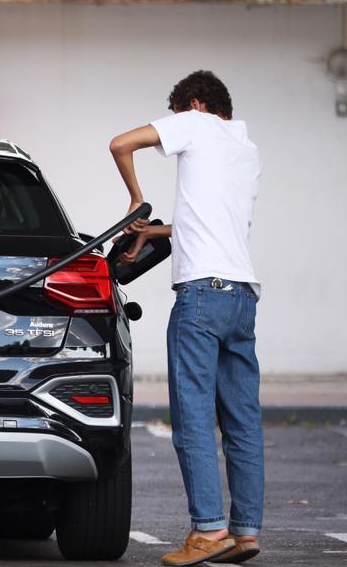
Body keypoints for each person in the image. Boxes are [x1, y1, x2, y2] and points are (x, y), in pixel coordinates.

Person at [109, 70, 263, 566]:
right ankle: (245, 531)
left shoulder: (194, 124)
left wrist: (135, 197)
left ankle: (207, 531)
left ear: (194, 104)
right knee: (242, 421)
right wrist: (154, 232)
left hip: (199, 297)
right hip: (241, 296)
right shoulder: (246, 149)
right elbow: (214, 219)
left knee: (194, 418)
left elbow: (120, 144)